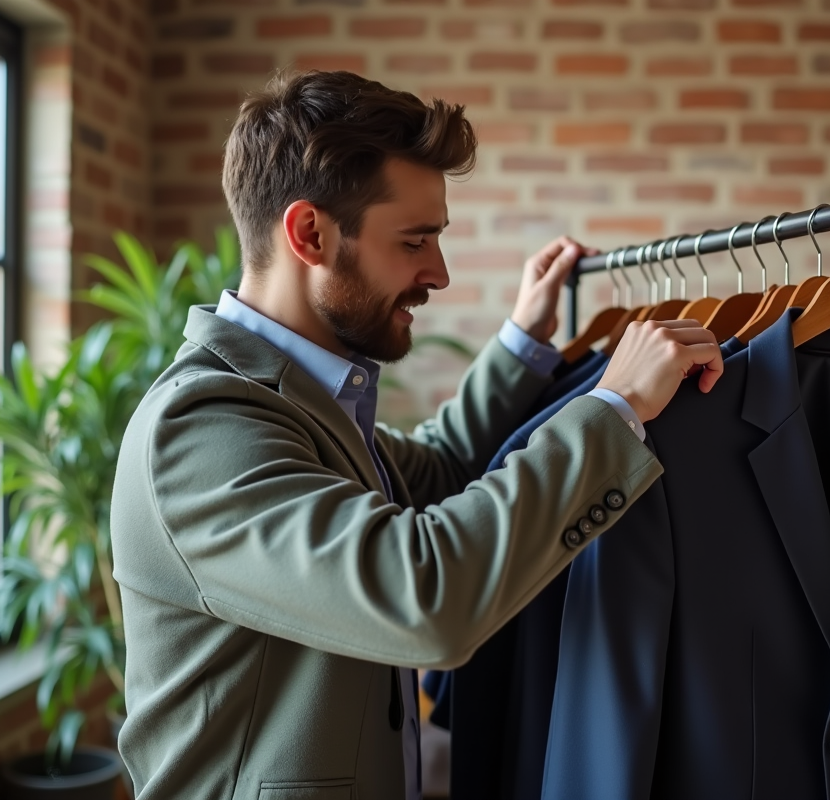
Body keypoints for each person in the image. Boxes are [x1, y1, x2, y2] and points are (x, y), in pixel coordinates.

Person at [109, 70, 722, 800]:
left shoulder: (306, 401)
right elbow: (422, 595)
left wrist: (523, 342)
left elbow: (439, 469)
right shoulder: (202, 427)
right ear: (310, 234)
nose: (440, 272)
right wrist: (615, 406)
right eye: (414, 240)